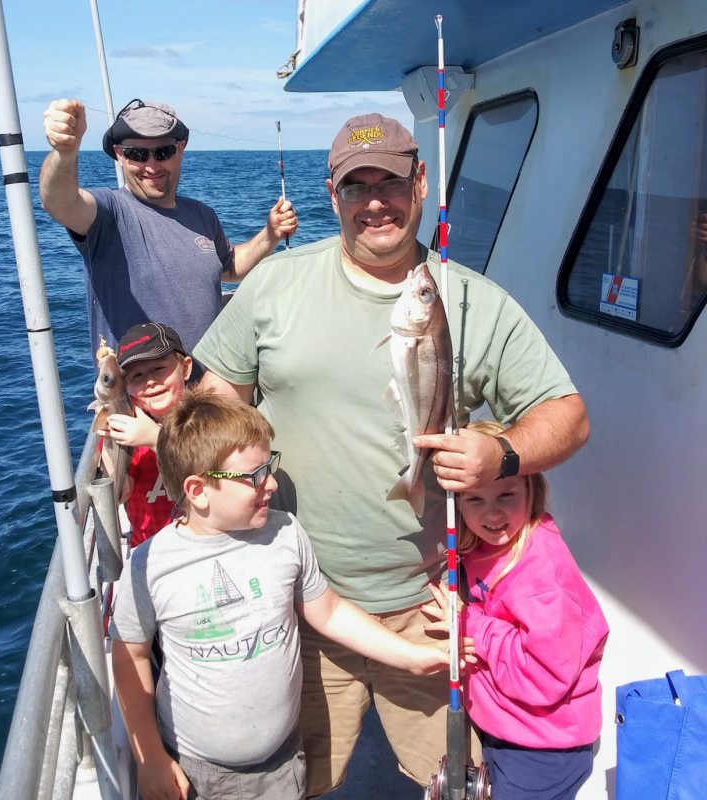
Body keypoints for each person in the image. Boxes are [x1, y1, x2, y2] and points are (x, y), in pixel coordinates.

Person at [192, 112, 590, 796]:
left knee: (450, 779)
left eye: (392, 182)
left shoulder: (472, 302)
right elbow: (215, 398)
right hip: (296, 603)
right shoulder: (275, 284)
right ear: (332, 194)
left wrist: (499, 455)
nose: (375, 201)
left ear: (422, 181)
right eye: (356, 187)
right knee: (297, 779)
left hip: (428, 605)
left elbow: (569, 417)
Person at [109, 388, 473, 800]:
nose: (271, 483)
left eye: (270, 465)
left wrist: (411, 656)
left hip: (284, 765)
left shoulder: (285, 532)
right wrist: (150, 757)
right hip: (197, 773)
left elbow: (330, 612)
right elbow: (131, 656)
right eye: (253, 476)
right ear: (197, 491)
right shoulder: (149, 564)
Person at [422, 420, 609, 800]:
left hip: (543, 751)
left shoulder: (544, 579)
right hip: (507, 729)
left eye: (506, 495)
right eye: (474, 499)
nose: (492, 514)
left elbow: (543, 676)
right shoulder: (485, 545)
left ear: (530, 487)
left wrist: (468, 622)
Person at [39, 97, 298, 371]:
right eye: (137, 154)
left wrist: (270, 234)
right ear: (119, 154)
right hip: (141, 404)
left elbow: (229, 267)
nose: (152, 166)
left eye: (163, 152)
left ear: (181, 149)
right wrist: (65, 153)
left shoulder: (202, 215)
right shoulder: (108, 212)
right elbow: (60, 203)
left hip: (209, 395)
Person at [103, 321, 193, 547]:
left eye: (158, 369)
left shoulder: (207, 419)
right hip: (150, 548)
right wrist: (107, 442)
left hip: (202, 545)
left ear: (185, 368)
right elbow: (122, 493)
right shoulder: (128, 429)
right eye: (137, 376)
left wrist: (156, 440)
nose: (150, 381)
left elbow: (213, 481)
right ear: (127, 388)